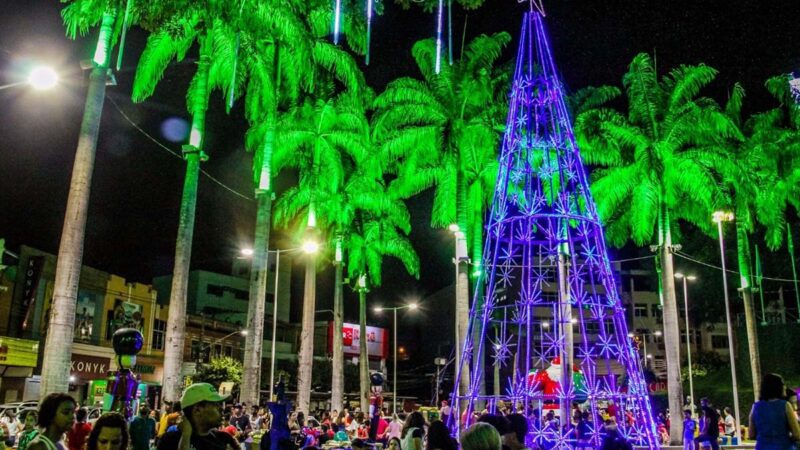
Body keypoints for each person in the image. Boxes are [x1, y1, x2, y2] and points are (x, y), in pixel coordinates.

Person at [157, 382, 238, 450]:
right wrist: (186, 436)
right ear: (197, 410)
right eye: (215, 404)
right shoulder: (171, 440)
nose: (221, 409)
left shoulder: (225, 439)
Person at [749, 373, 800, 449]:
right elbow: (797, 434)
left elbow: (751, 434)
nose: (785, 387)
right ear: (777, 387)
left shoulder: (755, 407)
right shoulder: (785, 405)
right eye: (783, 384)